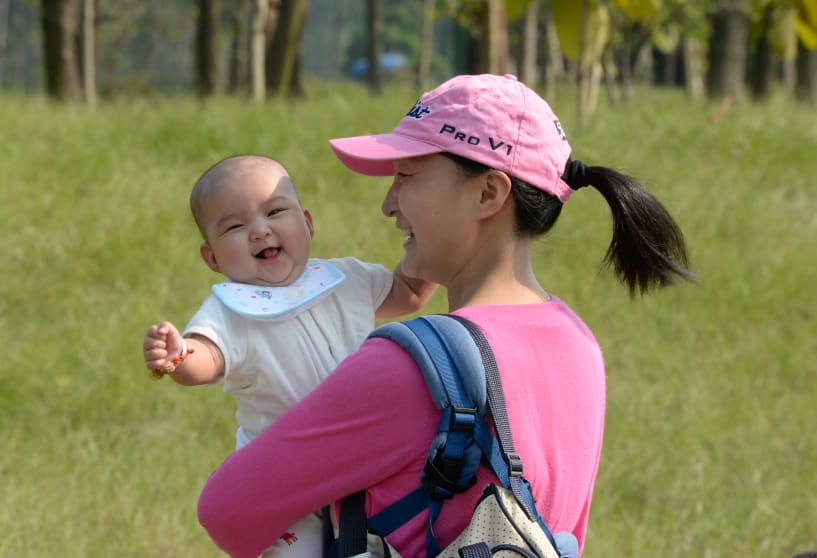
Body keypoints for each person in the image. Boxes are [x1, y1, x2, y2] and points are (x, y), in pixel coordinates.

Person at [196, 74, 693, 558]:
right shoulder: (579, 346)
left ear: (488, 194)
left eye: (407, 176)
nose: (388, 204)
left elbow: (226, 511)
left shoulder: (406, 367)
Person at [142, 154, 437, 557]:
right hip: (284, 478)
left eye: (275, 211)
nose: (260, 230)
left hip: (361, 459)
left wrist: (443, 245)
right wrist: (178, 356)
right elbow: (206, 359)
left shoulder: (346, 278)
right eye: (235, 226)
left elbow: (410, 294)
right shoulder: (231, 311)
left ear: (308, 223)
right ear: (212, 257)